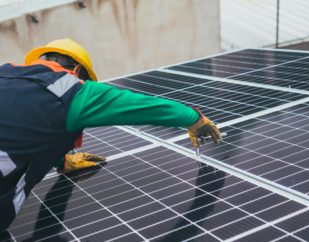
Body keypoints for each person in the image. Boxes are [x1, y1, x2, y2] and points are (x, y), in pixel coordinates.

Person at [0, 38, 221, 230]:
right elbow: (143, 106)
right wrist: (195, 119)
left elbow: (26, 124)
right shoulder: (73, 89)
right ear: (78, 71)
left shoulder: (5, 72)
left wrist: (62, 161)